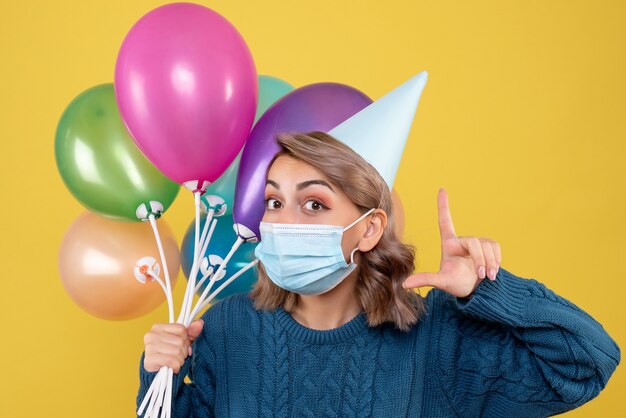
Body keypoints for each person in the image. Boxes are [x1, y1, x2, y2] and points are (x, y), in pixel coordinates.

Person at [138, 131, 620, 417]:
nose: (283, 222)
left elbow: (587, 363)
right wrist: (158, 375)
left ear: (369, 229)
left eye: (313, 203)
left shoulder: (436, 339)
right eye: (273, 202)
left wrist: (490, 290)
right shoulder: (227, 328)